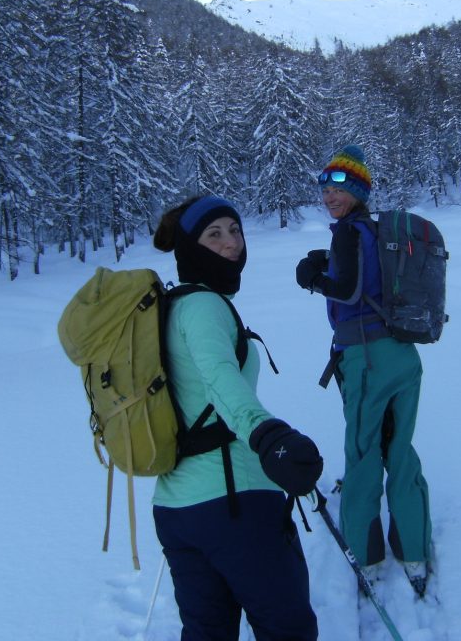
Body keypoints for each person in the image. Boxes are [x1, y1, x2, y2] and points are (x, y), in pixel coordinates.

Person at [152, 194, 323, 641]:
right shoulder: (204, 306)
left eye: (235, 229)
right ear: (189, 247)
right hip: (234, 503)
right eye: (215, 234)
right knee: (288, 629)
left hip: (176, 508)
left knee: (207, 633)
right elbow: (219, 379)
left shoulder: (171, 307)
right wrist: (269, 436)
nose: (232, 244)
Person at [294, 145, 432, 597]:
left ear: (358, 190)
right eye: (324, 185)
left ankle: (368, 556)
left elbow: (349, 290)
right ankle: (414, 549)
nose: (329, 194)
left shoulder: (349, 234)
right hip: (403, 355)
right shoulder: (375, 232)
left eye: (340, 186)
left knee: (363, 451)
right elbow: (366, 272)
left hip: (367, 358)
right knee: (400, 447)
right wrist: (327, 258)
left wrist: (312, 277)